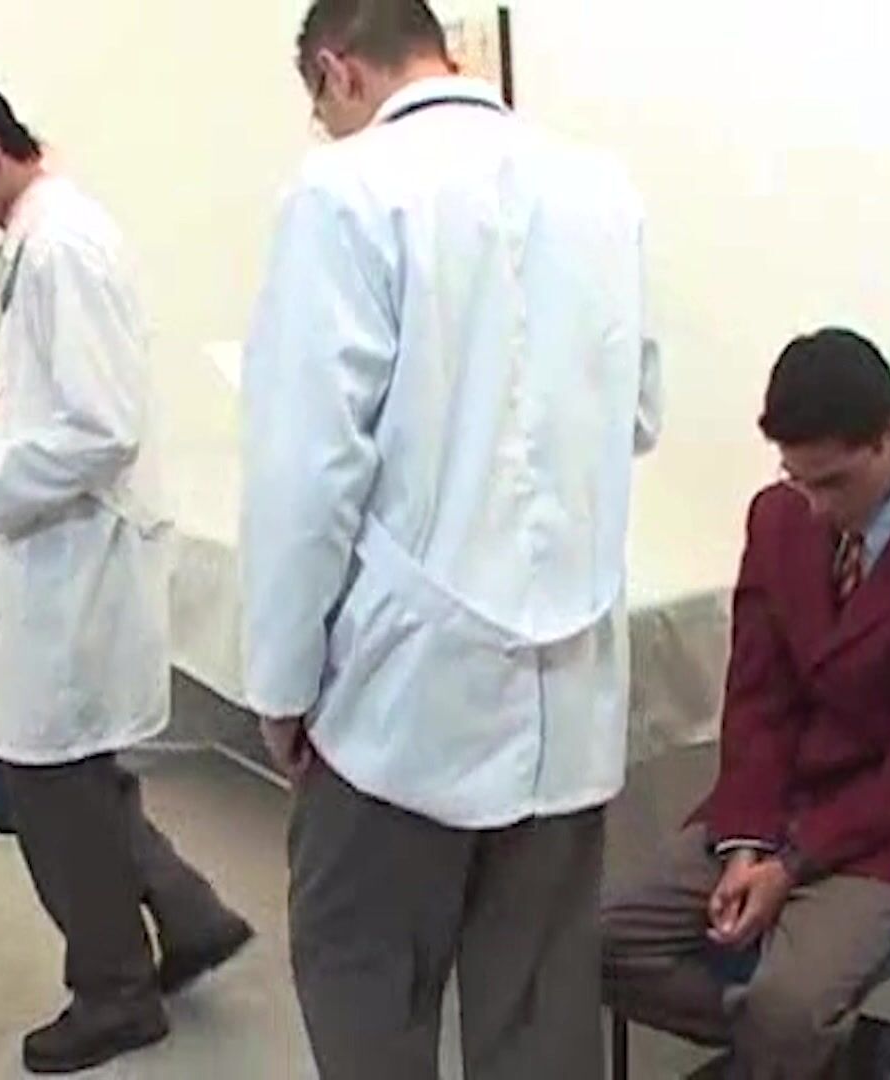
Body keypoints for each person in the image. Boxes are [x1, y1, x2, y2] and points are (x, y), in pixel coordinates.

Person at [240, 2, 663, 1077]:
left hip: (401, 700)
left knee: (366, 983)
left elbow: (307, 476)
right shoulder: (600, 187)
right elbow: (637, 415)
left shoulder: (342, 190)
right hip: (569, 694)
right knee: (538, 1012)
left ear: (336, 71)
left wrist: (281, 687)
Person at [0, 70, 252, 1075]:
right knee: (78, 779)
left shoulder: (62, 249)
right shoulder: (37, 236)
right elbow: (64, 392)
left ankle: (115, 995)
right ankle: (192, 916)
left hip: (79, 569)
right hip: (62, 563)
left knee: (50, 789)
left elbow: (99, 430)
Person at [601, 329, 890, 1079]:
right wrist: (747, 844)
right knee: (600, 942)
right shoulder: (779, 516)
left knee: (787, 1006)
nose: (813, 505)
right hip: (774, 805)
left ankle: (799, 1042)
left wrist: (792, 864)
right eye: (796, 479)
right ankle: (833, 1051)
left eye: (831, 483)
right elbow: (757, 696)